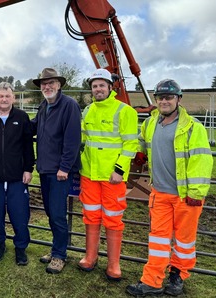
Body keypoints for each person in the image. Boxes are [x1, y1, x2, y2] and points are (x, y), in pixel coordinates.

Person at [126, 79, 213, 296]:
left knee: (184, 241)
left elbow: (201, 161)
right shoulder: (150, 124)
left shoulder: (193, 128)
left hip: (185, 196)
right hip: (160, 193)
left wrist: (196, 193)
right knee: (157, 239)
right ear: (155, 101)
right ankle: (152, 281)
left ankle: (177, 276)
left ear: (178, 100)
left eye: (169, 97)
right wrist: (139, 154)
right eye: (160, 98)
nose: (164, 101)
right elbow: (142, 142)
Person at [78, 68, 139, 281]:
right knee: (91, 215)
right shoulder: (87, 111)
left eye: (102, 85)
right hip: (89, 174)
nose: (98, 89)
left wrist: (120, 170)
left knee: (113, 219)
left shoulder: (124, 111)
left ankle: (114, 264)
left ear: (110, 87)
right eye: (94, 86)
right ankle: (90, 257)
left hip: (112, 176)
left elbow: (131, 143)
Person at [0, 82, 35, 265]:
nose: (4, 99)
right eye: (1, 96)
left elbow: (28, 145)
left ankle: (20, 247)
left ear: (13, 98)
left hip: (17, 175)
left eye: (7, 96)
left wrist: (28, 168)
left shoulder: (22, 117)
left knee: (19, 213)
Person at [31, 68, 81, 274]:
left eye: (51, 83)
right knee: (51, 212)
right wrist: (8, 123)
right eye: (44, 84)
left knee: (58, 213)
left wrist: (64, 167)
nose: (47, 86)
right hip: (45, 168)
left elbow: (72, 139)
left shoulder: (69, 105)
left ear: (59, 85)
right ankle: (56, 249)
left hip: (59, 171)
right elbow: (33, 126)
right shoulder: (45, 106)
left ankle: (60, 255)